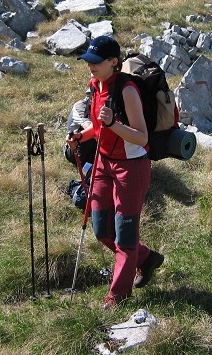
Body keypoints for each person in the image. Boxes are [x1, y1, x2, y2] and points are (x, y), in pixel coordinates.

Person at [65, 36, 164, 309]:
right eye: (88, 61)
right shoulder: (95, 86)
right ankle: (146, 258)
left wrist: (113, 124)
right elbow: (98, 128)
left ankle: (117, 297)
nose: (91, 65)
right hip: (103, 162)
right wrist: (80, 136)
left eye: (96, 62)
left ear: (113, 62)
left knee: (125, 236)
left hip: (131, 167)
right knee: (101, 229)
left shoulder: (127, 90)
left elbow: (141, 137)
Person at [63, 89, 96, 166]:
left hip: (97, 146)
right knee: (89, 133)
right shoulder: (81, 106)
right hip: (75, 149)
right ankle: (87, 166)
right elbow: (92, 130)